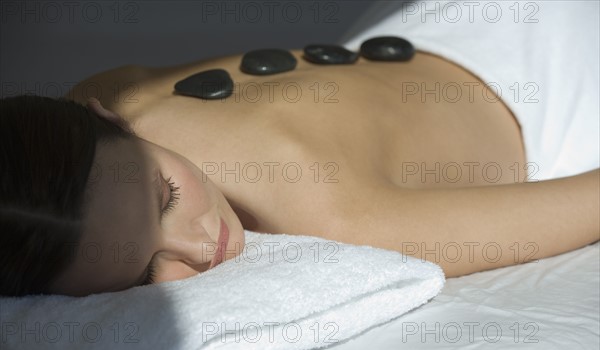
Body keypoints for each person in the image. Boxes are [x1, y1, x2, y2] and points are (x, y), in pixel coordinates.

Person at [1, 45, 598, 297]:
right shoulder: (105, 98)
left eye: (167, 199)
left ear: (108, 121)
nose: (204, 246)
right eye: (146, 273)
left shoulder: (329, 210)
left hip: (564, 73)